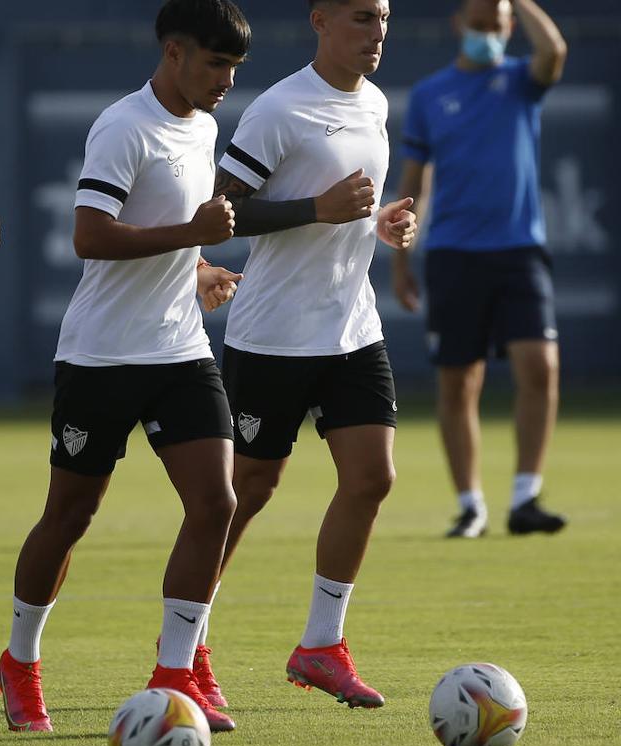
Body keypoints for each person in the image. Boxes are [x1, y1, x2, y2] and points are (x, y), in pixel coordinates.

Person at [0, 0, 248, 736]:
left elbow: (173, 235)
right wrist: (191, 233)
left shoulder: (202, 126)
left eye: (233, 68)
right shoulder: (122, 125)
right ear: (174, 52)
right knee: (70, 517)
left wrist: (196, 267)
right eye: (214, 63)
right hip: (101, 354)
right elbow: (89, 235)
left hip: (178, 350)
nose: (225, 80)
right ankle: (20, 662)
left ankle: (174, 675)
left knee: (216, 504)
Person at [208, 0, 417, 709]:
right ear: (320, 19)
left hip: (351, 327)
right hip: (272, 335)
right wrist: (315, 211)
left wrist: (382, 223)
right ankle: (186, 646)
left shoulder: (377, 103)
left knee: (373, 478)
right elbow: (221, 209)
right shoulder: (280, 109)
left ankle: (322, 646)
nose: (378, 31)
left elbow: (350, 210)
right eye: (362, 17)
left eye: (384, 17)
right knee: (244, 494)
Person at [390, 0, 568, 538]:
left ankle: (525, 498)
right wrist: (402, 259)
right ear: (458, 25)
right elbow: (415, 184)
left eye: (497, 24)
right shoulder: (429, 95)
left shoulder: (519, 81)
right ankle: (471, 505)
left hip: (518, 250)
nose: (487, 33)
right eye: (479, 23)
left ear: (510, 26)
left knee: (540, 366)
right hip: (453, 254)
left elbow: (554, 50)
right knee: (458, 381)